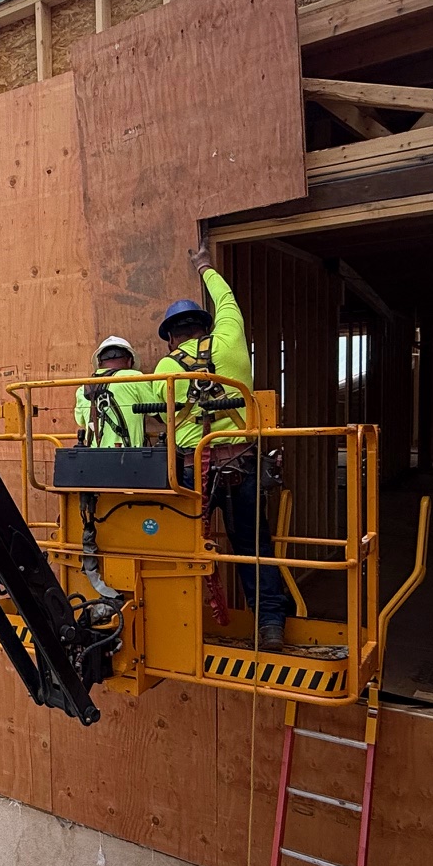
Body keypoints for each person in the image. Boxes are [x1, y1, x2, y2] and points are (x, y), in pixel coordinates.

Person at [153, 242, 292, 651]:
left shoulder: (165, 367)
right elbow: (227, 299)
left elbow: (161, 415)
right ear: (205, 326)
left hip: (193, 472)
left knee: (184, 545)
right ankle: (269, 625)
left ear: (171, 337)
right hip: (241, 467)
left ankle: (180, 624)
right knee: (253, 548)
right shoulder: (230, 339)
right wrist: (204, 266)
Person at [75, 335, 148, 448]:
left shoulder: (84, 388)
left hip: (93, 458)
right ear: (130, 362)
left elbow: (81, 422)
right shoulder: (136, 378)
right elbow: (159, 412)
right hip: (131, 458)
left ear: (99, 363)